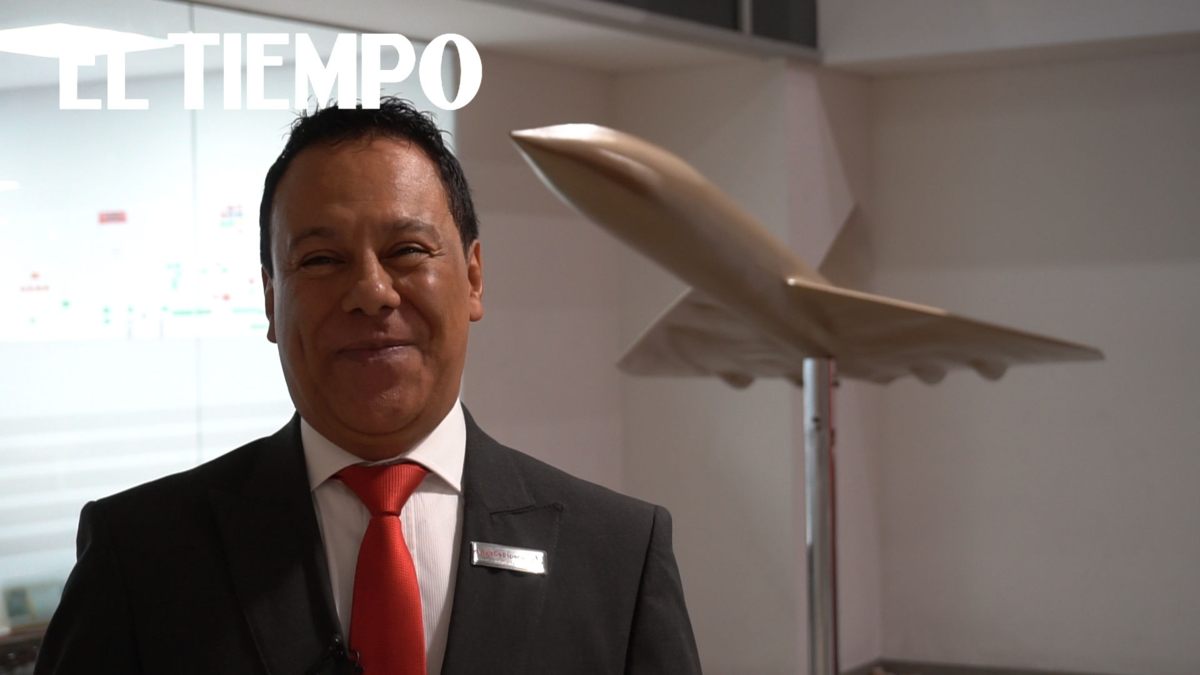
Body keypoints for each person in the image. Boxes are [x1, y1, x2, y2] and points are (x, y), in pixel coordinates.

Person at [34, 98, 702, 675]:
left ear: (473, 278)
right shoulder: (140, 555)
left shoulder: (618, 555)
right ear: (270, 299)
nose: (371, 292)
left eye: (407, 250)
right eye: (321, 259)